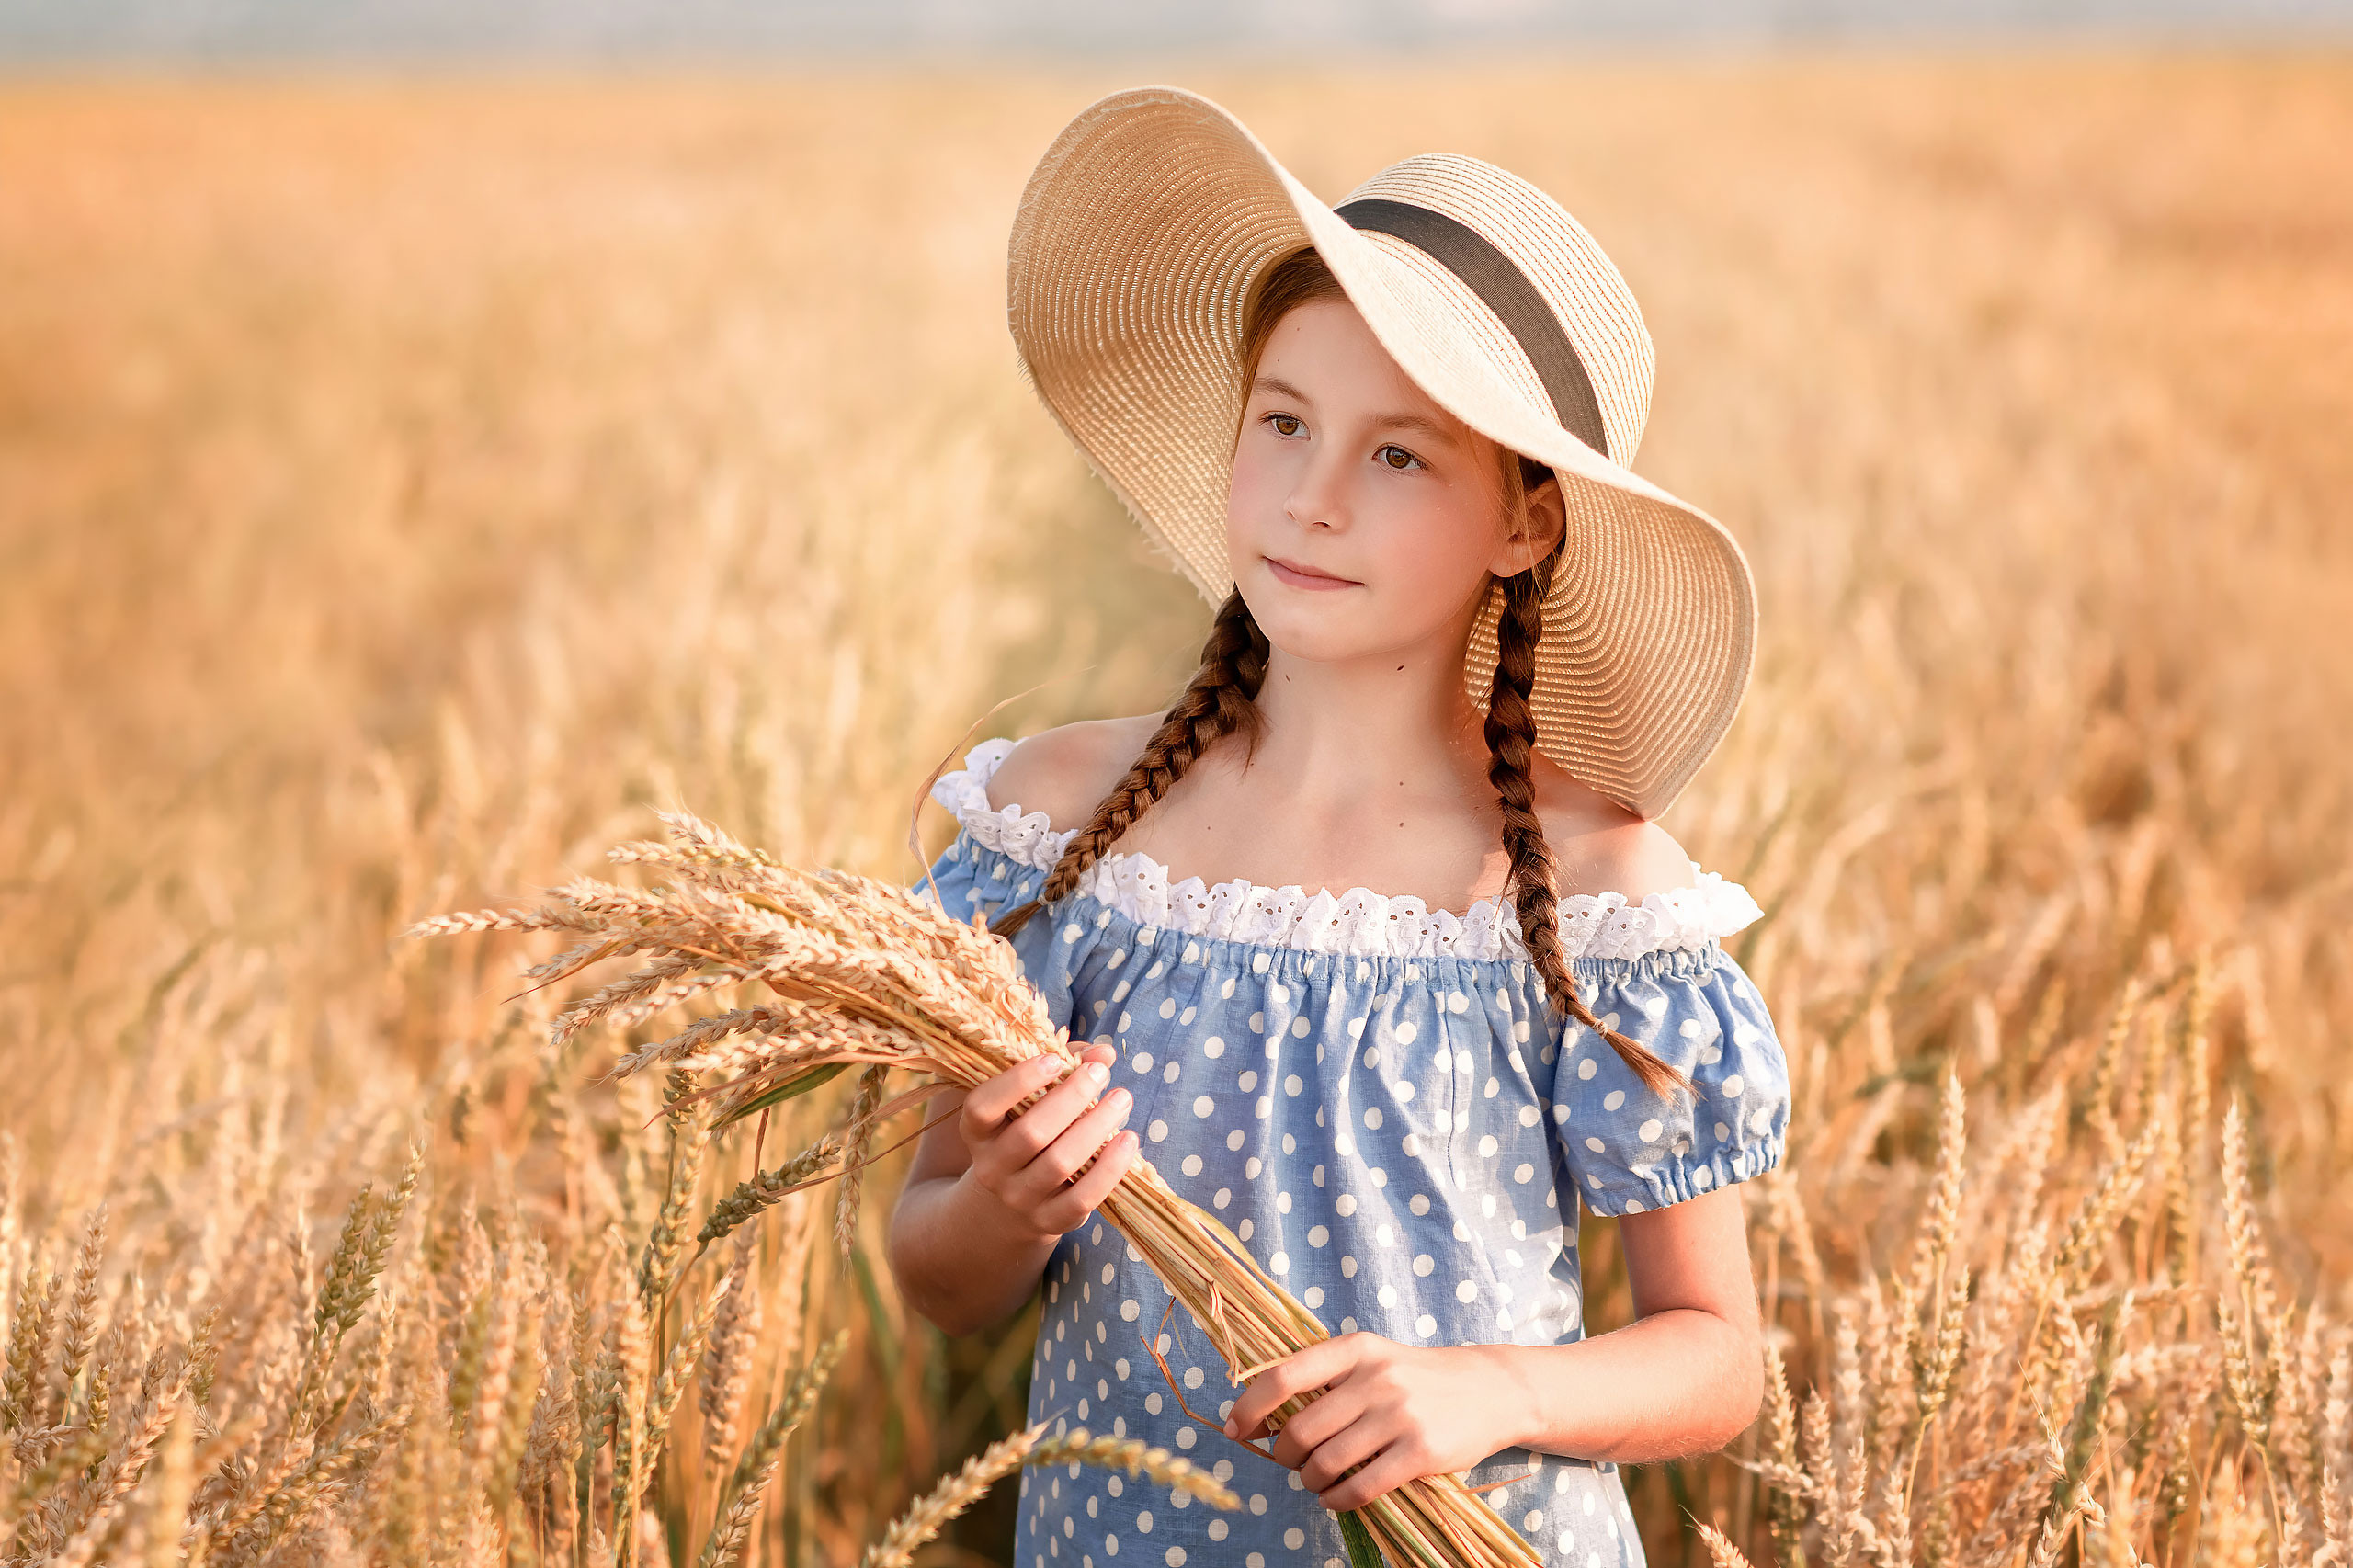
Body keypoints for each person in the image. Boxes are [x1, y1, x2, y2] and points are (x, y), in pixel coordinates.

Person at [884, 85, 1791, 1568]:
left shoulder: (1595, 886)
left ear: (1525, 523)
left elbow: (1717, 1351)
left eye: (1398, 456)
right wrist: (1004, 1199)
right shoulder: (1061, 829)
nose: (1311, 499)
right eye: (1285, 422)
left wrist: (1494, 1391)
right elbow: (938, 1274)